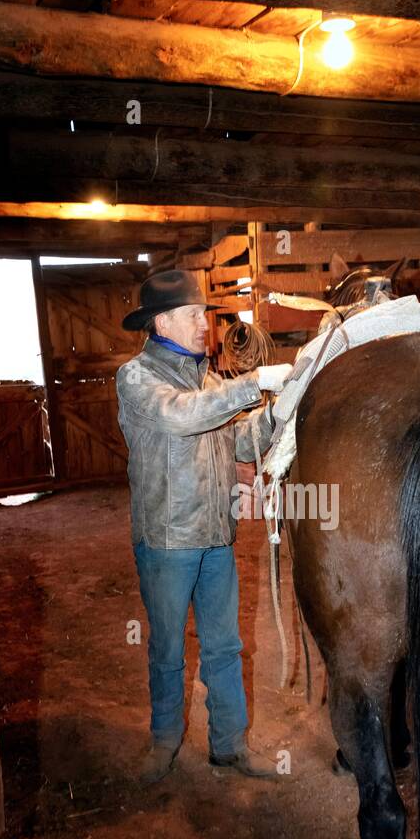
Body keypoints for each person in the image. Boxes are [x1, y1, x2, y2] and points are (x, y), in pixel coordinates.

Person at [116, 270, 291, 784]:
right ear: (162, 321)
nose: (203, 325)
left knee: (224, 646)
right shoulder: (137, 379)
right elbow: (180, 416)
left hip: (216, 537)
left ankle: (229, 746)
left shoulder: (211, 382)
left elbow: (240, 441)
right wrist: (253, 383)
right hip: (167, 541)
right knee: (169, 648)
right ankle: (165, 742)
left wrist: (280, 408)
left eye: (203, 315)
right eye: (193, 315)